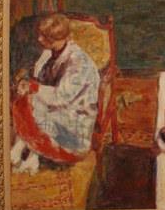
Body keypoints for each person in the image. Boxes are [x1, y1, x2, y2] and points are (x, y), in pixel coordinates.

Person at [10, 13, 100, 175]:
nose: (39, 39)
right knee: (24, 100)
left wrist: (33, 87)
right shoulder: (49, 53)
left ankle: (27, 152)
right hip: (55, 108)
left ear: (57, 39)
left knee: (30, 103)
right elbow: (39, 77)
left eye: (45, 37)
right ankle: (27, 153)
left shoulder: (79, 64)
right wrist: (26, 81)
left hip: (73, 122)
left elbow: (60, 97)